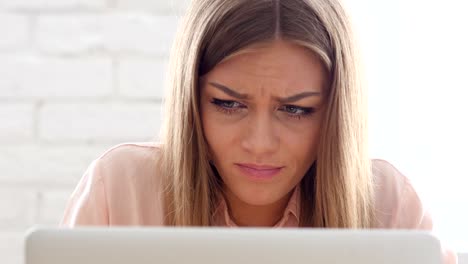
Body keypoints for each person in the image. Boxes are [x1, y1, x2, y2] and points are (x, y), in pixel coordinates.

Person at [60, 0, 457, 263]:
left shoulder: (388, 202)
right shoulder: (121, 188)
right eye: (228, 104)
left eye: (296, 109)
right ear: (192, 101)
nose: (260, 144)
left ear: (335, 113)